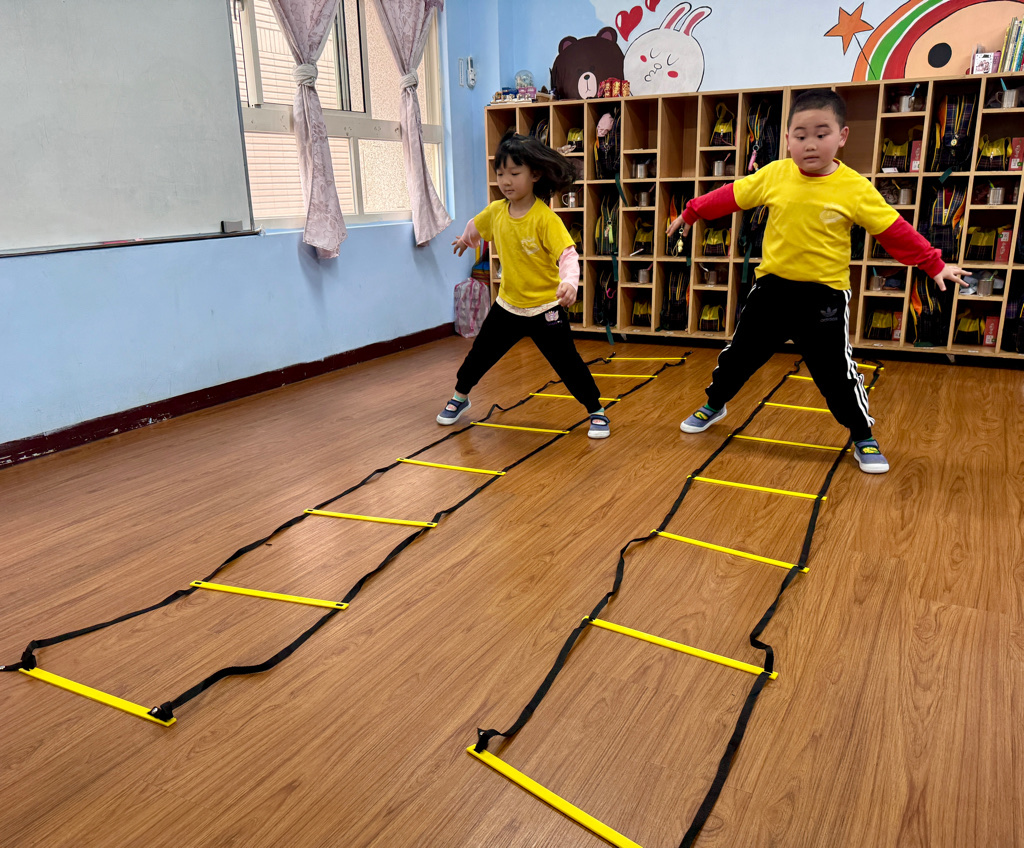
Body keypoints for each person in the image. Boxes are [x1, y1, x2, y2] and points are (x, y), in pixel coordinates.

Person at [667, 89, 965, 473]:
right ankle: (715, 403)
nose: (810, 144)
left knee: (835, 375)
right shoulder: (775, 174)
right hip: (771, 291)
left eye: (821, 134)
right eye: (801, 135)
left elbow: (893, 230)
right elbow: (732, 196)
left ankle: (862, 434)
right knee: (738, 357)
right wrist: (691, 212)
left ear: (841, 136)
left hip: (823, 298)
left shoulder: (854, 188)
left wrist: (933, 264)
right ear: (787, 138)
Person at [441, 130, 609, 439]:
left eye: (514, 173)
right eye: (500, 173)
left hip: (545, 308)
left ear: (534, 174)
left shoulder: (545, 219)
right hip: (508, 305)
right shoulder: (496, 212)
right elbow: (476, 225)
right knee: (479, 355)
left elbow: (568, 255)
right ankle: (460, 397)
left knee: (567, 363)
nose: (506, 181)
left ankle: (596, 410)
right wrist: (466, 240)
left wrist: (570, 283)